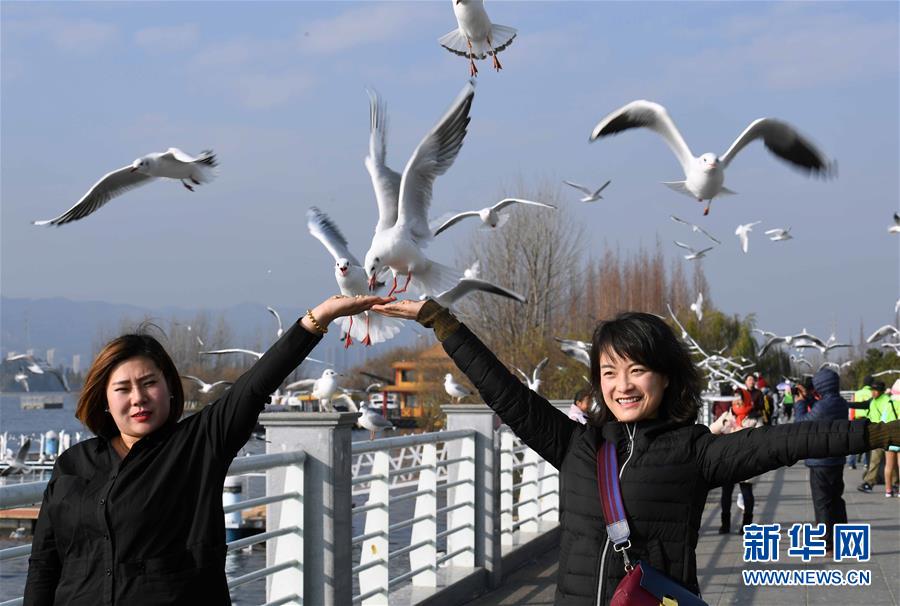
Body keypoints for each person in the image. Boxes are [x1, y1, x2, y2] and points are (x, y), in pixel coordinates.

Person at [373, 299, 900, 605]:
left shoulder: (693, 451)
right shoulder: (576, 444)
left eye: (636, 370)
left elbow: (789, 441)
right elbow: (506, 394)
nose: (621, 385)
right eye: (608, 372)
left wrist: (881, 433)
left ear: (665, 378)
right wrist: (440, 321)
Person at [24, 295, 392, 605]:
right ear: (104, 400)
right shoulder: (73, 463)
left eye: (149, 383)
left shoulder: (197, 445)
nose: (138, 398)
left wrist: (317, 319)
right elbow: (45, 562)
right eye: (123, 389)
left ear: (169, 388)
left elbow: (253, 387)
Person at [793, 369, 851, 551]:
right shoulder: (841, 403)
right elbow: (822, 408)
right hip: (836, 458)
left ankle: (826, 541)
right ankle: (842, 536)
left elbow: (801, 424)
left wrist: (800, 403)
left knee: (822, 501)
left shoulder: (823, 406)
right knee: (836, 498)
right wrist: (808, 397)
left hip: (820, 461)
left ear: (821, 387)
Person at [709, 390, 763, 534]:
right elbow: (711, 430)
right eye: (734, 400)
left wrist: (741, 431)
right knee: (726, 492)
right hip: (727, 461)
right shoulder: (726, 416)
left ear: (745, 400)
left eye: (739, 400)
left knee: (747, 493)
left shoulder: (754, 418)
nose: (736, 403)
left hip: (747, 461)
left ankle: (747, 525)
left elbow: (762, 439)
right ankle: (725, 524)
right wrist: (723, 426)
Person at [857, 381, 898, 493]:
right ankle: (893, 484)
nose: (873, 393)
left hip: (884, 434)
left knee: (881, 461)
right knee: (887, 462)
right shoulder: (874, 401)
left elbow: (887, 417)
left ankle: (870, 483)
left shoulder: (886, 401)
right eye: (872, 390)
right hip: (876, 432)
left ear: (880, 391)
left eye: (875, 391)